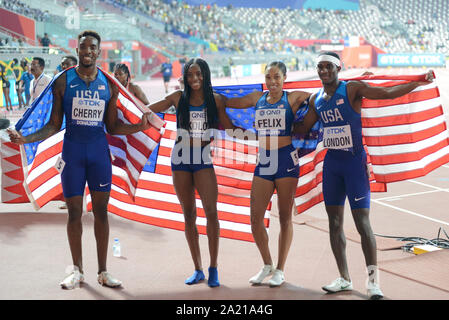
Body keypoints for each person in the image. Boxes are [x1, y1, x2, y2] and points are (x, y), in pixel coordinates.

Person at [8, 30, 153, 290]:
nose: (87, 51)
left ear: (98, 52)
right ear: (77, 50)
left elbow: (113, 126)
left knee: (101, 213)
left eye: (92, 48)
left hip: (99, 155)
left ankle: (103, 271)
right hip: (72, 154)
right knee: (74, 213)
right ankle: (77, 270)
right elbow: (53, 125)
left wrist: (137, 127)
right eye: (83, 47)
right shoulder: (63, 81)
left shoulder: (108, 85)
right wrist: (25, 139)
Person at [293, 51, 434, 299]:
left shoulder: (352, 89)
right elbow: (303, 128)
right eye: (320, 67)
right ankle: (344, 278)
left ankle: (373, 282)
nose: (323, 71)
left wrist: (417, 82)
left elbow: (387, 94)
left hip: (354, 166)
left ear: (338, 68)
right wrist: (281, 109)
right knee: (334, 223)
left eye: (328, 66)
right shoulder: (317, 99)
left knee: (362, 225)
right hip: (332, 166)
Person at [146, 58, 235, 287]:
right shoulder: (178, 97)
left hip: (203, 160)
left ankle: (213, 268)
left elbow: (232, 126)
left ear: (205, 75)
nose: (195, 79)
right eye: (190, 75)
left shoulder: (215, 100)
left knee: (211, 214)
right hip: (181, 161)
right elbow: (149, 109)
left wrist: (260, 133)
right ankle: (197, 269)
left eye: (199, 74)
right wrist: (124, 104)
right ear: (185, 78)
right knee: (189, 215)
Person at [222, 61, 311, 287]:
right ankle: (267, 264)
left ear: (284, 78)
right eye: (268, 77)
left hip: (285, 160)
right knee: (255, 219)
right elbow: (228, 102)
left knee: (284, 217)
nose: (272, 82)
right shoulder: (256, 98)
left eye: (276, 77)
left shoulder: (293, 98)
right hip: (264, 161)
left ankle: (280, 269)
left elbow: (323, 97)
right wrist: (204, 95)